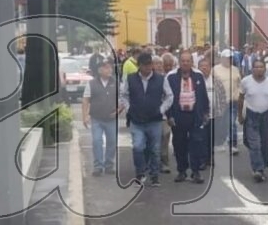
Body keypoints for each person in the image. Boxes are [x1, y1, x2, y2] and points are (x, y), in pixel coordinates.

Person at [120, 53, 167, 187]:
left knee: (155, 149)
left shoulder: (160, 79)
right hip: (137, 121)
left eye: (149, 64)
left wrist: (162, 109)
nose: (148, 68)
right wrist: (129, 108)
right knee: (138, 147)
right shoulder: (131, 79)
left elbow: (169, 96)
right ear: (139, 66)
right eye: (145, 65)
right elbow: (123, 95)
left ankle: (154, 176)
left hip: (155, 120)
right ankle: (140, 173)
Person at [165, 51, 210, 184]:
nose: (185, 63)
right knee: (179, 144)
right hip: (178, 116)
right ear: (179, 62)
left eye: (188, 61)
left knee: (197, 143)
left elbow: (203, 95)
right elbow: (166, 97)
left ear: (192, 62)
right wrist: (169, 115)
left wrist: (205, 113)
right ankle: (182, 171)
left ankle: (196, 172)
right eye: (183, 61)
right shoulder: (171, 77)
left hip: (195, 115)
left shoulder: (198, 75)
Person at [238, 57, 268, 182]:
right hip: (251, 116)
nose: (259, 69)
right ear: (252, 69)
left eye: (261, 67)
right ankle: (258, 169)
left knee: (265, 145)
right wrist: (240, 115)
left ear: (265, 69)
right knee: (255, 144)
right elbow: (241, 98)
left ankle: (261, 166)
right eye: (256, 67)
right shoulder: (246, 81)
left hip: (266, 116)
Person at [82, 59, 123, 176]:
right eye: (106, 68)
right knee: (96, 141)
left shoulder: (116, 83)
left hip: (111, 118)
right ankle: (98, 166)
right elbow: (85, 100)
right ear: (100, 70)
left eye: (110, 67)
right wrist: (85, 116)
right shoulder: (91, 84)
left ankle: (109, 165)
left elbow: (123, 98)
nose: (109, 70)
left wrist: (119, 110)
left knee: (112, 142)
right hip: (96, 118)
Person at [212, 50, 241, 156]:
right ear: (222, 58)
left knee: (232, 123)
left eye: (231, 57)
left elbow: (239, 84)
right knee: (221, 123)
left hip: (233, 101)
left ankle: (233, 145)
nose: (229, 59)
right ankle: (219, 143)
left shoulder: (235, 69)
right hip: (220, 102)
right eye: (228, 57)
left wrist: (238, 96)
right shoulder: (215, 69)